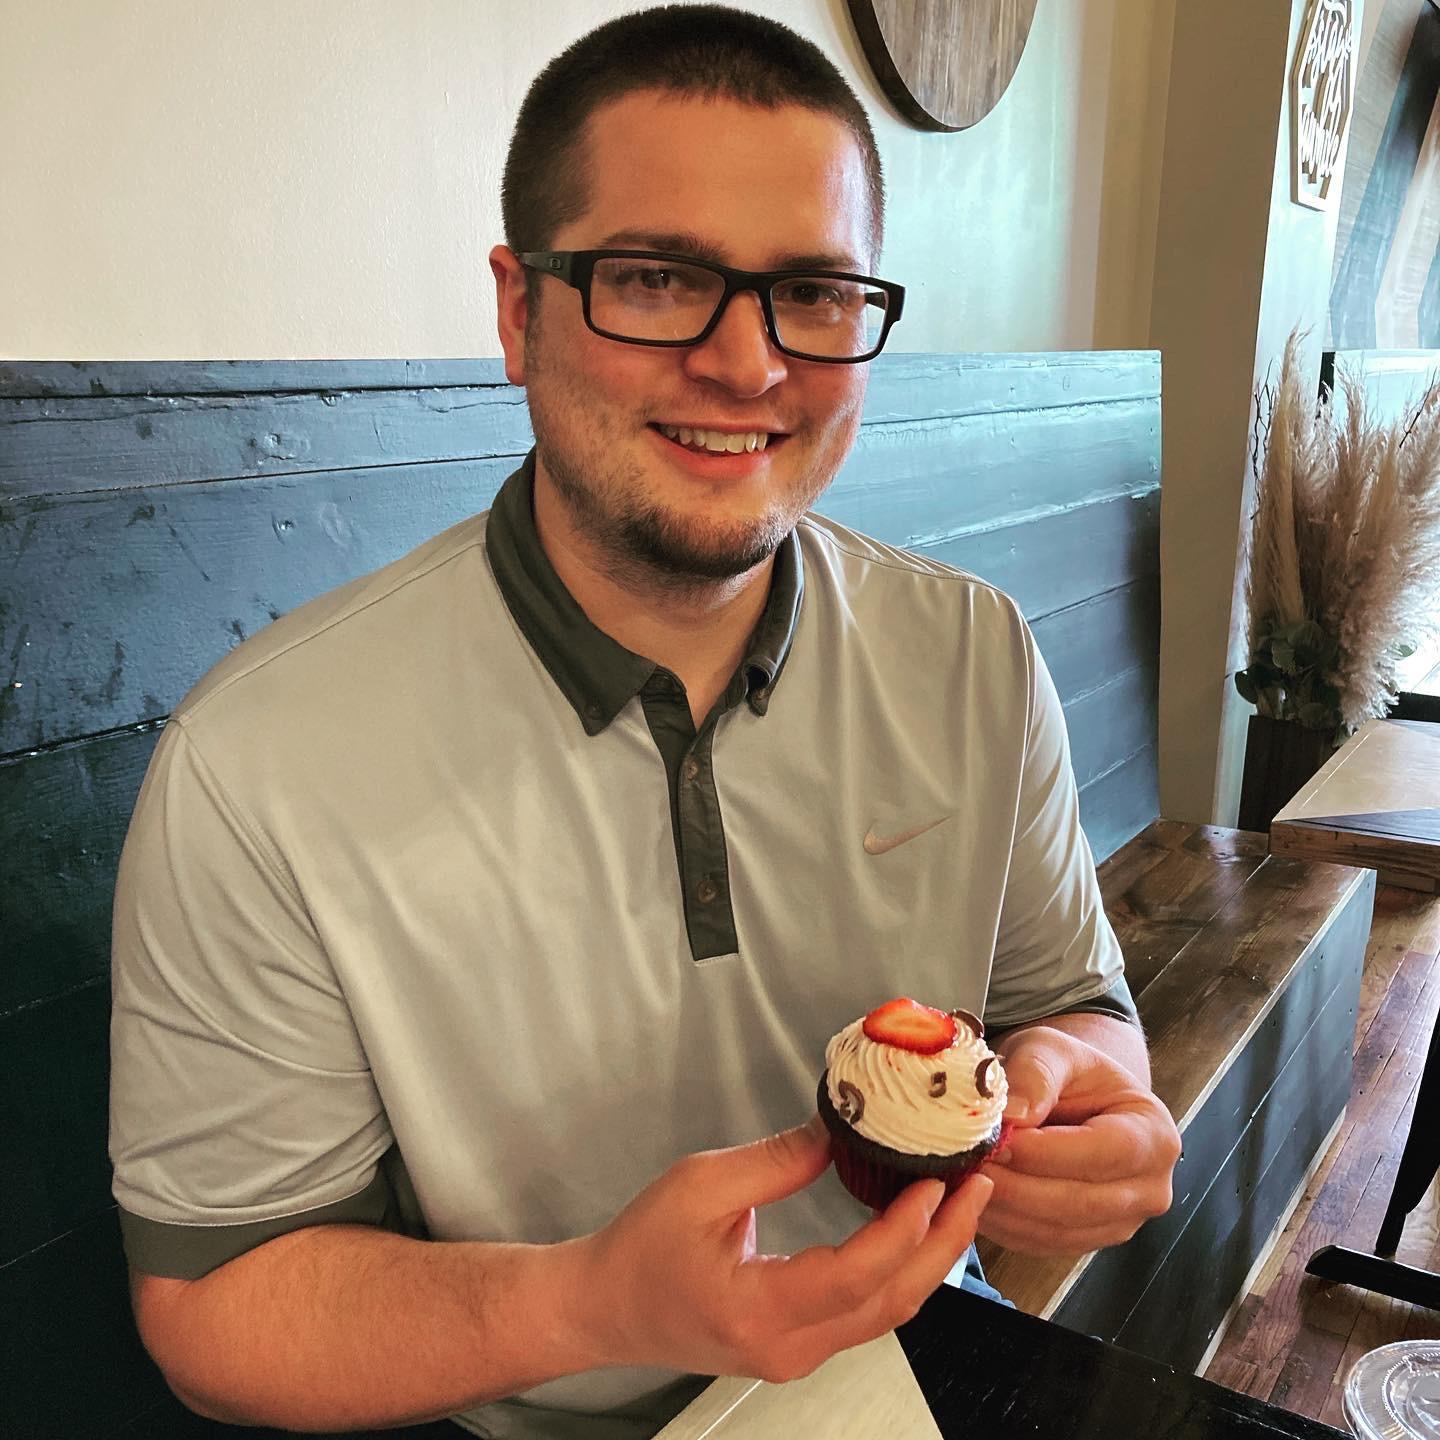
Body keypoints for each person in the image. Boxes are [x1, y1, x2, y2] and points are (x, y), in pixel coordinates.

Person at [109, 7, 1182, 1438]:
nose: (749, 367)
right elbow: (214, 1307)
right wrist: (595, 1303)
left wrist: (1092, 1098)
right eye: (658, 278)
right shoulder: (260, 764)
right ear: (518, 312)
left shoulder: (972, 652)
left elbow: (1074, 1012)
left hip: (930, 1363)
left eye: (813, 292)